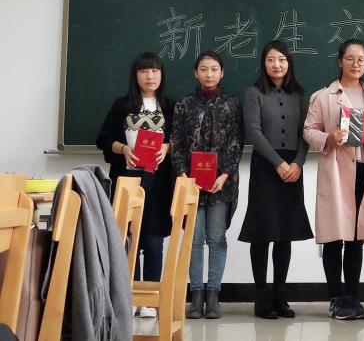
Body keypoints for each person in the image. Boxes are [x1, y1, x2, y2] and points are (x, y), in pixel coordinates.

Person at [303, 39, 364, 320]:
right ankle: (336, 299)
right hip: (337, 171)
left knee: (357, 236)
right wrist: (328, 137)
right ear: (340, 61)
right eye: (350, 58)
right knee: (334, 235)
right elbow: (308, 130)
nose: (356, 64)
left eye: (361, 59)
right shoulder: (323, 96)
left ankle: (353, 297)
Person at [96, 52, 174, 319]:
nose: (150, 76)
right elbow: (103, 139)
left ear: (161, 75)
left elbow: (182, 139)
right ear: (135, 75)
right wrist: (123, 149)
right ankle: (127, 297)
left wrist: (167, 147)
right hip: (127, 181)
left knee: (153, 242)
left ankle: (150, 300)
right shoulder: (122, 105)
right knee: (128, 242)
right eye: (144, 71)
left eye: (155, 71)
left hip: (158, 183)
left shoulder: (171, 106)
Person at [238, 41, 313, 319]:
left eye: (281, 60)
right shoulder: (254, 93)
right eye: (271, 60)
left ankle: (281, 296)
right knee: (262, 231)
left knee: (285, 232)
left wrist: (298, 163)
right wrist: (278, 163)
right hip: (266, 166)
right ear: (264, 64)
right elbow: (253, 132)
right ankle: (261, 298)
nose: (277, 65)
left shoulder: (300, 95)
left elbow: (306, 132)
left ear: (289, 63)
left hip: (293, 167)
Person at [171, 51, 244, 320]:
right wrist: (182, 174)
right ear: (196, 73)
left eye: (214, 69)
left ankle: (214, 294)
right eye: (204, 69)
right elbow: (176, 142)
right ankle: (196, 295)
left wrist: (224, 174)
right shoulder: (184, 104)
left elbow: (237, 141)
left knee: (216, 238)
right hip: (190, 183)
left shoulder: (232, 103)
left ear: (222, 73)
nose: (209, 74)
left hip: (221, 184)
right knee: (194, 240)